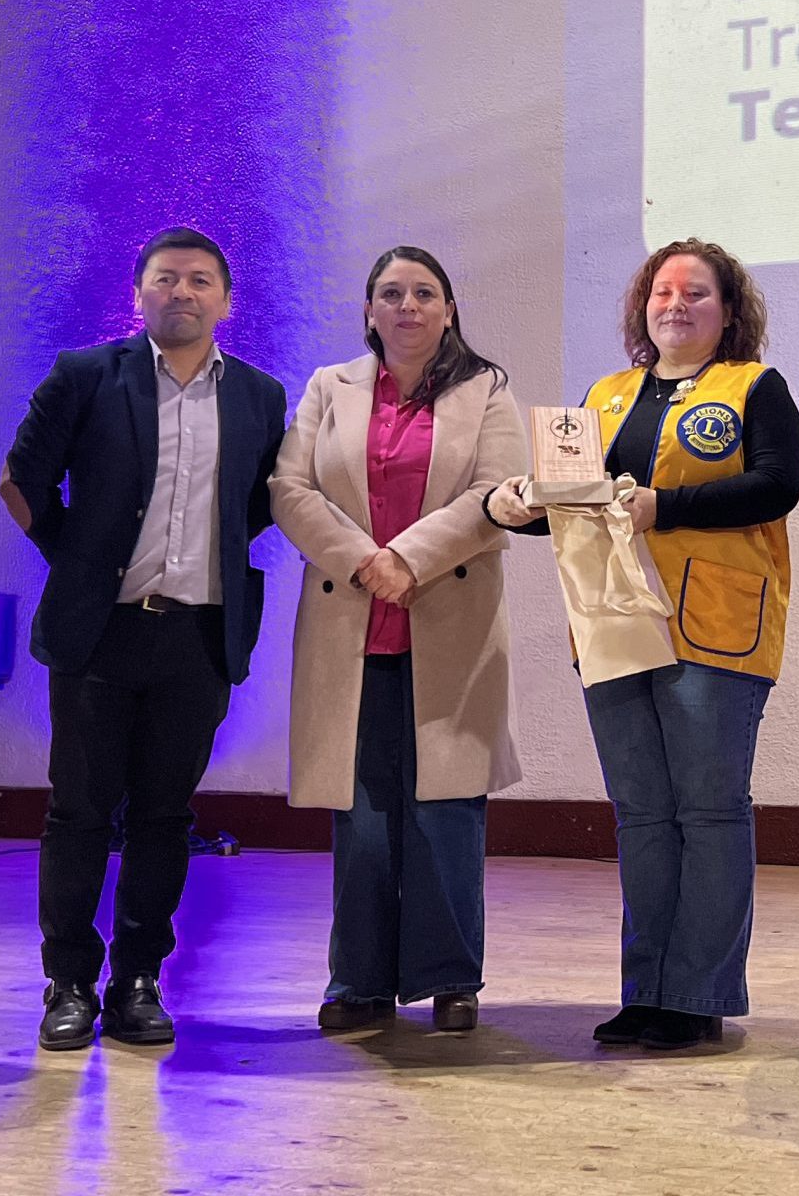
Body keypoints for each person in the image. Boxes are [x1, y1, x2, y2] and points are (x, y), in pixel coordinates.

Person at [486, 239, 799, 1051]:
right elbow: (581, 503)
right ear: (642, 308)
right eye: (663, 292)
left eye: (696, 293)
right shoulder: (607, 395)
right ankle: (647, 991)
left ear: (729, 311)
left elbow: (778, 487)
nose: (676, 305)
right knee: (643, 813)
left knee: (709, 809)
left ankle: (696, 997)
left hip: (717, 626)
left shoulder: (753, 386)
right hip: (613, 622)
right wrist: (526, 505)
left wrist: (671, 507)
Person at [1, 228, 288, 1051]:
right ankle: (67, 983)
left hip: (197, 635)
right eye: (165, 278)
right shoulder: (86, 374)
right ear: (139, 294)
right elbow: (22, 479)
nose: (182, 292)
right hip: (99, 632)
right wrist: (80, 558)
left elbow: (260, 503)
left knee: (165, 817)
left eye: (199, 280)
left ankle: (137, 981)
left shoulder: (260, 396)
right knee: (79, 813)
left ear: (225, 301)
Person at [273, 247, 526, 1034]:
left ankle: (450, 978)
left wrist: (408, 559)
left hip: (448, 623)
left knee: (447, 813)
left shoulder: (486, 391)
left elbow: (498, 493)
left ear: (449, 310)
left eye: (424, 293)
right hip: (352, 626)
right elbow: (289, 488)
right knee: (363, 819)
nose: (407, 305)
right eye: (391, 293)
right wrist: (364, 561)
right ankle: (359, 981)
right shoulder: (329, 387)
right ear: (369, 310)